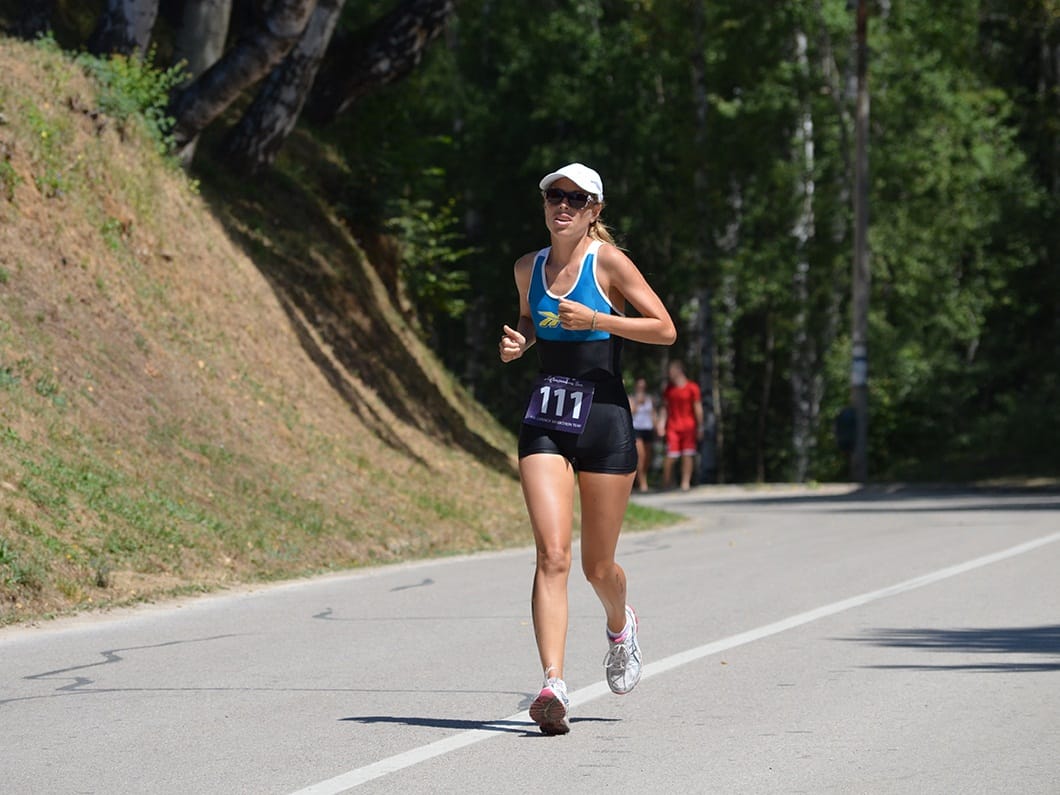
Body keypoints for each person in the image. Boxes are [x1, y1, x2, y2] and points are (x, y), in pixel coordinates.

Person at [499, 162, 676, 735]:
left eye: (577, 199)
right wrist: (520, 341)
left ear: (594, 210)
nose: (563, 206)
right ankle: (553, 684)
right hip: (548, 415)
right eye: (555, 195)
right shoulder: (527, 267)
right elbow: (530, 319)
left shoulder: (609, 263)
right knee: (552, 554)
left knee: (598, 566)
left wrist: (599, 317)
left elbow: (665, 329)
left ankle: (620, 624)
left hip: (604, 416)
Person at [658, 360, 703, 491]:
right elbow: (665, 408)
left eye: (671, 372)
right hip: (672, 427)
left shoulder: (692, 387)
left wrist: (700, 426)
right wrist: (661, 423)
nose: (669, 374)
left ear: (679, 371)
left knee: (687, 454)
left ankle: (685, 483)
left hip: (689, 426)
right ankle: (666, 482)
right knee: (671, 456)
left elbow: (697, 407)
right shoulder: (669, 389)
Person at [629, 377, 657, 492]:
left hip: (648, 429)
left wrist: (657, 427)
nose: (641, 388)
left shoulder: (649, 399)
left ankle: (642, 476)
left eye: (643, 386)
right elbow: (631, 411)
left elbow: (653, 414)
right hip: (636, 429)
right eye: (639, 386)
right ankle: (642, 482)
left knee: (648, 457)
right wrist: (637, 402)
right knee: (641, 455)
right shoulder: (631, 398)